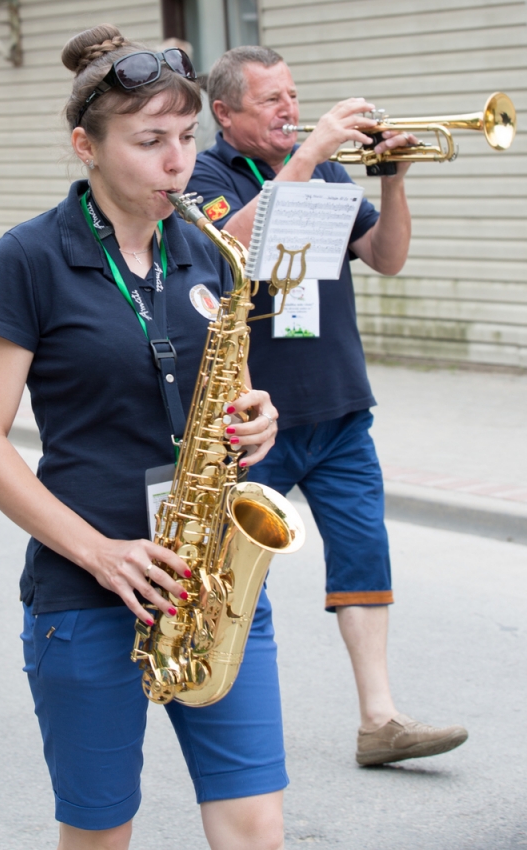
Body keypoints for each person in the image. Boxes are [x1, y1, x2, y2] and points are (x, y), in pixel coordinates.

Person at [0, 26, 288, 850]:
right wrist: (102, 554)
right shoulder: (28, 257)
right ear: (87, 146)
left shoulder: (206, 246)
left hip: (210, 575)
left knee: (256, 827)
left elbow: (226, 388)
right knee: (101, 831)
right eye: (149, 142)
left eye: (185, 138)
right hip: (88, 589)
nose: (177, 162)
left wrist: (256, 414)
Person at [188, 45, 468, 768]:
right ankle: (220, 709)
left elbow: (386, 255)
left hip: (339, 403)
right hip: (258, 416)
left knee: (363, 554)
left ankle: (380, 720)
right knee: (232, 571)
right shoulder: (204, 174)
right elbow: (229, 250)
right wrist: (309, 151)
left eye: (293, 94)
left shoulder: (330, 171)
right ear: (225, 113)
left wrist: (394, 179)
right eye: (272, 100)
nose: (291, 109)